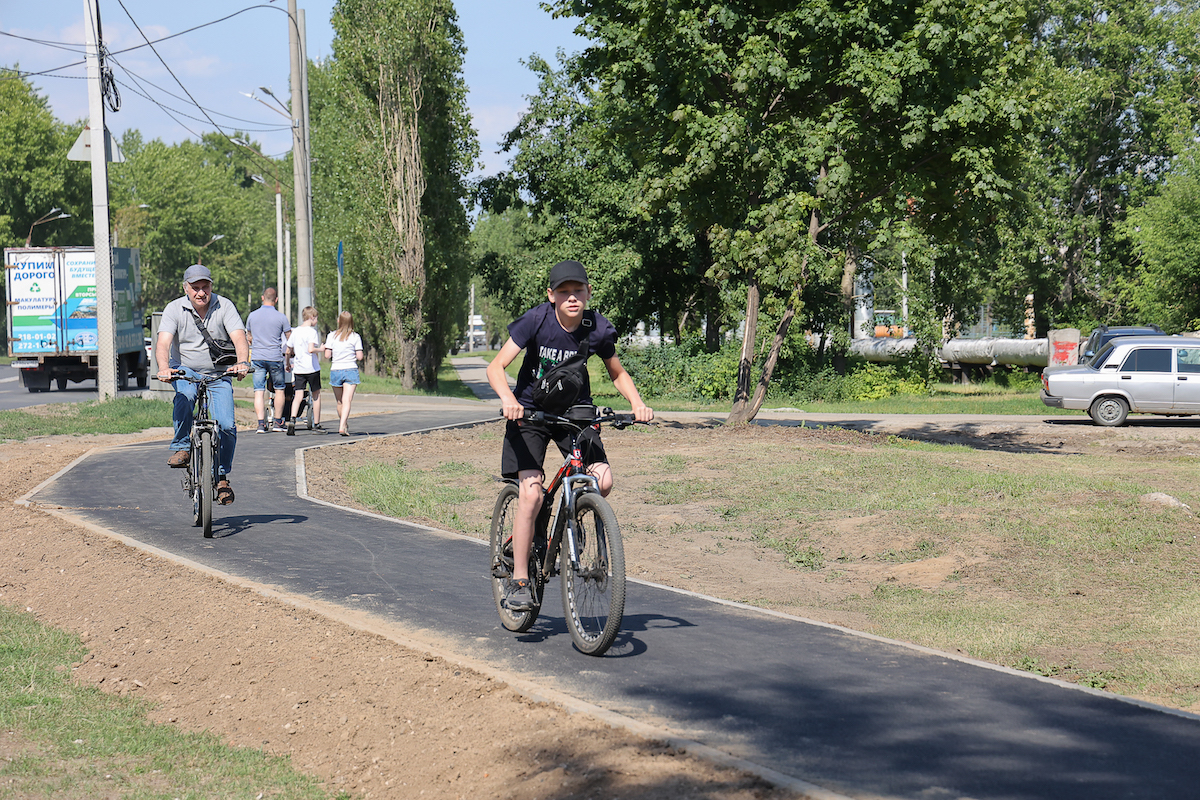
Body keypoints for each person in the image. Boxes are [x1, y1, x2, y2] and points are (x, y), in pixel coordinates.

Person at [485, 260, 653, 611]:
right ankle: (519, 579)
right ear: (552, 296)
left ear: (588, 292)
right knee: (530, 496)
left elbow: (617, 372)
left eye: (578, 290)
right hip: (530, 412)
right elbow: (496, 366)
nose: (572, 297)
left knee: (602, 481)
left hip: (575, 411)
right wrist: (508, 400)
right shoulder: (537, 320)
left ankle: (573, 515)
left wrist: (637, 402)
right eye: (564, 292)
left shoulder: (596, 328)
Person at [155, 264, 250, 505]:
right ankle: (182, 447)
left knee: (227, 425)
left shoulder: (224, 305)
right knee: (185, 397)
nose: (200, 293)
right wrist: (164, 368)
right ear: (185, 288)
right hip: (186, 370)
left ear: (211, 286)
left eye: (204, 287)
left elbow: (239, 336)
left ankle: (221, 476)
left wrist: (242, 362)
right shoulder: (174, 308)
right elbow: (163, 343)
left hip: (219, 372)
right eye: (194, 288)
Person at [246, 287, 292, 433]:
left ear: (262, 298)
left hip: (258, 357)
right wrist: (290, 356)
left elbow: (249, 337)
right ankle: (278, 422)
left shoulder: (252, 316)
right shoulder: (281, 317)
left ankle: (261, 424)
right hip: (275, 357)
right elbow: (290, 339)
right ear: (276, 300)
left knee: (259, 391)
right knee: (279, 389)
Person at [323, 311, 364, 437]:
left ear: (339, 321)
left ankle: (343, 423)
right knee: (347, 400)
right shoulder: (355, 337)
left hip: (336, 370)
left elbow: (327, 355)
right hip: (350, 369)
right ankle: (342, 425)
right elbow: (360, 356)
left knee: (340, 401)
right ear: (351, 322)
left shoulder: (331, 336)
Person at [285, 306, 325, 435]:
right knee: (316, 395)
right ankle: (317, 423)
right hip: (312, 368)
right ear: (312, 317)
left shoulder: (295, 331)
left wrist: (287, 363)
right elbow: (311, 349)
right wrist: (322, 349)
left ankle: (292, 420)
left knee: (298, 395)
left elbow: (288, 350)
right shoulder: (312, 332)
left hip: (299, 368)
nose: (317, 321)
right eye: (316, 318)